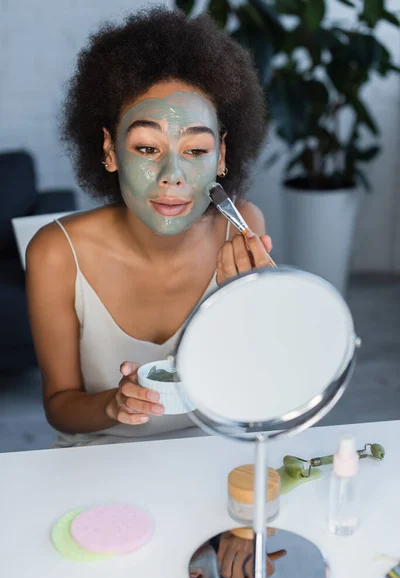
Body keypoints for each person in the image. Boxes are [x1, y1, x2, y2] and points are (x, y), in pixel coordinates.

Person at [26, 7, 274, 448]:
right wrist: (112, 406)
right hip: (99, 462)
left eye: (195, 150)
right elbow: (59, 406)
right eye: (146, 147)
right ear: (110, 149)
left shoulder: (243, 228)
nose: (172, 175)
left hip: (214, 453)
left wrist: (256, 311)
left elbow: (258, 384)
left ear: (220, 156)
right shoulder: (56, 253)